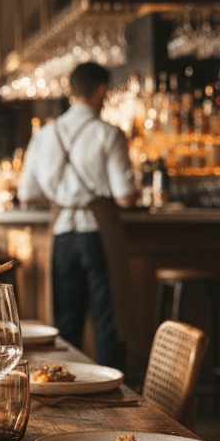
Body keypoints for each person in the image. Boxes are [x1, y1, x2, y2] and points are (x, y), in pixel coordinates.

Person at [17, 62, 136, 370]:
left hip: (62, 234)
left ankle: (63, 384)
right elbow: (125, 196)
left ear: (70, 91)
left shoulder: (44, 135)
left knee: (65, 321)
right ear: (102, 90)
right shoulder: (108, 134)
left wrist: (61, 194)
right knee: (107, 319)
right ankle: (114, 389)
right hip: (98, 233)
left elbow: (27, 193)